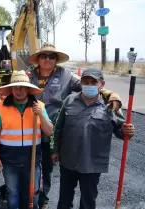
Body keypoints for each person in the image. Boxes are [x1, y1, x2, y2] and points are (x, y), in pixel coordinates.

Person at [26, 42, 123, 209]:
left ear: (56, 60)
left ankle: (43, 198)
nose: (47, 59)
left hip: (52, 128)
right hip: (29, 127)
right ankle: (28, 195)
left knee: (47, 167)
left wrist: (111, 94)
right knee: (30, 163)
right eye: (44, 56)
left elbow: (90, 85)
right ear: (38, 59)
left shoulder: (66, 75)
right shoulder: (28, 75)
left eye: (52, 56)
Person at [53, 68, 135, 209]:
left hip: (92, 162)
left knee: (88, 200)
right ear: (81, 82)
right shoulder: (69, 100)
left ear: (101, 84)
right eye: (86, 81)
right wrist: (54, 150)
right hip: (68, 159)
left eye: (93, 82)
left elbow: (121, 132)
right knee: (64, 199)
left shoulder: (111, 106)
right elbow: (58, 127)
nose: (89, 85)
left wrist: (128, 131)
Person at [0, 70, 53, 209]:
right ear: (11, 89)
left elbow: (49, 131)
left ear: (28, 89)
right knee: (12, 194)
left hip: (32, 161)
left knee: (32, 195)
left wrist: (40, 115)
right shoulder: (1, 107)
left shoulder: (39, 106)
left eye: (22, 87)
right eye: (15, 87)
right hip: (9, 162)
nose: (19, 91)